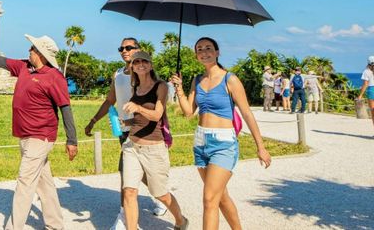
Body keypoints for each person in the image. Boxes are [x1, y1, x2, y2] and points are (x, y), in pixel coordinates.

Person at [0, 34, 77, 230]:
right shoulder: (24, 67)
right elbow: (2, 61)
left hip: (40, 136)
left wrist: (71, 140)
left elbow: (65, 108)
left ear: (41, 53)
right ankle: (56, 225)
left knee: (25, 182)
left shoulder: (54, 77)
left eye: (32, 48)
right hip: (24, 135)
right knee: (44, 183)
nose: (29, 50)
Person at [170, 37, 271, 230]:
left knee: (209, 199)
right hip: (200, 142)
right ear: (196, 55)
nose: (204, 51)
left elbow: (247, 113)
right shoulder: (197, 80)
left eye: (208, 48)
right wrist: (179, 88)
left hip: (223, 144)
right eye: (200, 49)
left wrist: (261, 147)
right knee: (220, 196)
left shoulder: (230, 79)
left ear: (217, 52)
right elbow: (189, 112)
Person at [85, 37, 168, 229]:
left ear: (139, 50)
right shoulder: (118, 75)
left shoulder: (145, 75)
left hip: (144, 129)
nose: (124, 50)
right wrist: (92, 121)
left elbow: (158, 102)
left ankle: (125, 217)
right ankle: (158, 199)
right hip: (124, 129)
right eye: (121, 48)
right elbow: (109, 101)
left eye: (129, 47)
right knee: (137, 173)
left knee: (129, 173)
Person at [119, 50, 189, 230]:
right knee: (129, 191)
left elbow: (157, 115)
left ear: (150, 65)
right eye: (136, 62)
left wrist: (137, 107)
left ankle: (181, 220)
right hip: (132, 146)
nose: (140, 64)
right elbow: (140, 119)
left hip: (154, 149)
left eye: (144, 61)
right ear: (132, 67)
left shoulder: (161, 86)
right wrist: (127, 121)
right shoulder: (135, 88)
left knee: (160, 194)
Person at [357, 55, 374, 132]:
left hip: (371, 91)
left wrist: (360, 95)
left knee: (373, 112)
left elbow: (365, 84)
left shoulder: (366, 71)